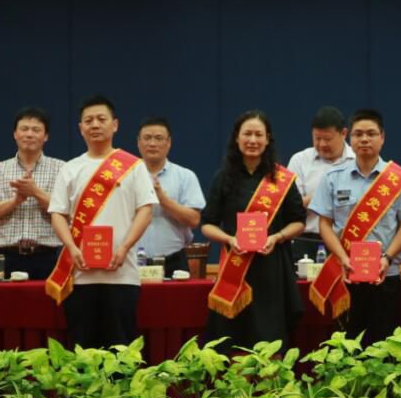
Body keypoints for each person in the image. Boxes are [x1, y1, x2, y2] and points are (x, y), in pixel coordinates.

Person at [47, 95, 156, 349]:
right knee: (82, 350)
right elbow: (57, 214)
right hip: (80, 276)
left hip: (122, 274)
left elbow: (146, 211)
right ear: (80, 128)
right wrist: (71, 248)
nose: (95, 125)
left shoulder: (134, 166)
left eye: (101, 119)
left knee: (122, 349)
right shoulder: (70, 168)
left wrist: (124, 247)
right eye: (88, 121)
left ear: (115, 124)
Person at [309, 108, 401, 347]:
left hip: (385, 275)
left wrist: (387, 258)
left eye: (371, 134)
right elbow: (324, 224)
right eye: (358, 134)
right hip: (345, 275)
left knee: (385, 348)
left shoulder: (399, 178)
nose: (364, 139)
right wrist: (343, 258)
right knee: (347, 348)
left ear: (382, 138)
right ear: (350, 138)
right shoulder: (333, 178)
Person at [201, 110, 307, 347]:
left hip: (272, 268)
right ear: (237, 138)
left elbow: (299, 221)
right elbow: (207, 224)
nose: (252, 140)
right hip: (235, 266)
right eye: (247, 134)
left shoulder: (281, 178)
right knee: (233, 339)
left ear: (267, 139)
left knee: (270, 337)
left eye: (258, 135)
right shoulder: (223, 177)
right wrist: (229, 239)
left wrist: (277, 237)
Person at [0, 106, 65, 280]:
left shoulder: (61, 168)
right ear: (15, 134)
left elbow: (65, 211)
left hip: (46, 257)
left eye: (36, 130)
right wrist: (16, 201)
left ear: (46, 136)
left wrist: (35, 192)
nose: (29, 134)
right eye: (24, 129)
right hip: (5, 256)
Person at [135, 117, 205, 277]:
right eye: (147, 138)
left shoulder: (185, 176)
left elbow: (194, 220)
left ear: (169, 143)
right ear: (138, 143)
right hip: (133, 261)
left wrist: (163, 200)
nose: (152, 143)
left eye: (158, 138)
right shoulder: (126, 176)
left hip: (174, 261)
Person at [287, 106, 355, 260]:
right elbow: (290, 207)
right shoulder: (300, 160)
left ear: (344, 133)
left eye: (328, 139)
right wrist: (321, 197)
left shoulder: (357, 160)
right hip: (306, 241)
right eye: (317, 138)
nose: (322, 144)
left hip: (346, 241)